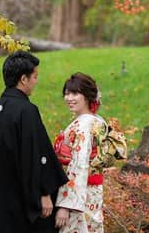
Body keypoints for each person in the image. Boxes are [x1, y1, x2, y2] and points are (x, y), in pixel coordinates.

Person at [0, 50, 68, 233]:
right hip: (20, 204)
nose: (36, 81)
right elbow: (37, 154)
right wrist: (44, 192)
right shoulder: (27, 111)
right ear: (23, 79)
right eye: (35, 76)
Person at [54, 72, 106, 233]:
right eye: (66, 93)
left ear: (88, 96)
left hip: (79, 195)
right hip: (91, 192)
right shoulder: (96, 121)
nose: (69, 98)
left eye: (75, 93)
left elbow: (80, 166)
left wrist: (65, 205)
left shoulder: (83, 126)